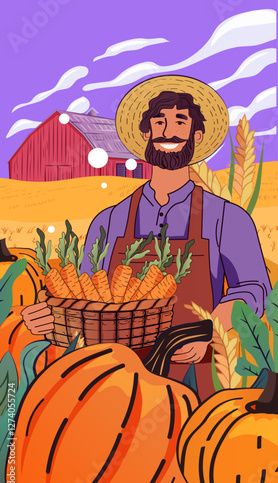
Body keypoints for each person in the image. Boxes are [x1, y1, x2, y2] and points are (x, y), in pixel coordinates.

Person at [22, 75, 271, 399]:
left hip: (196, 382)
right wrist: (49, 317)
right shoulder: (109, 221)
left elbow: (253, 290)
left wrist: (209, 330)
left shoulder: (228, 219)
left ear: (196, 134)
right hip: (115, 384)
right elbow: (84, 300)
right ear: (146, 134)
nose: (169, 131)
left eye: (180, 121)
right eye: (159, 121)